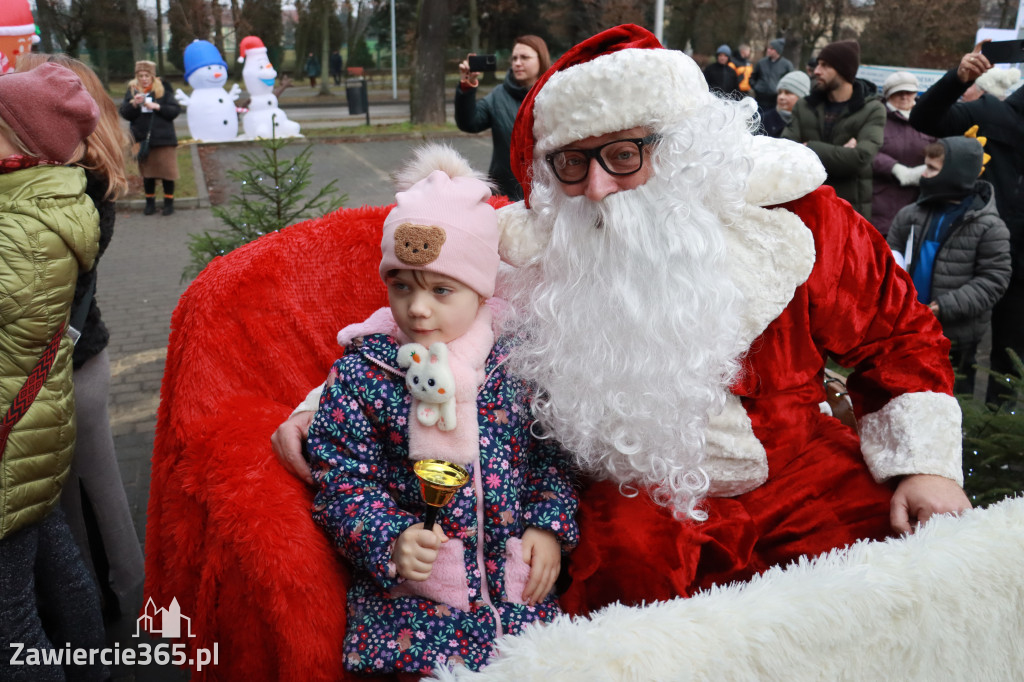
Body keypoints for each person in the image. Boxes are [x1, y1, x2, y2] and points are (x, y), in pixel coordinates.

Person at [495, 23, 970, 615]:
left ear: (681, 148)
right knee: (621, 593)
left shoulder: (794, 218)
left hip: (797, 465)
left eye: (623, 155)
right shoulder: (542, 250)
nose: (595, 188)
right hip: (641, 489)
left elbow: (897, 333)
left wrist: (926, 468)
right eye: (571, 162)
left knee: (893, 578)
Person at [306, 144, 578, 678]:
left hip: (516, 598)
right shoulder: (365, 375)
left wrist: (547, 526)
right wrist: (388, 537)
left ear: (480, 292)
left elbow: (554, 457)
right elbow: (341, 481)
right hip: (409, 611)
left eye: (441, 289)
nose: (417, 307)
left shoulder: (515, 365)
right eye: (401, 285)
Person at [16, 52, 145, 619]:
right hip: (79, 354)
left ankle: (116, 608)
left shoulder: (71, 187)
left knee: (90, 499)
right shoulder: (88, 175)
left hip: (65, 361)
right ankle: (106, 604)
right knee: (91, 493)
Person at [0, 62, 106, 682]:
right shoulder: (47, 201)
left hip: (14, 438)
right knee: (56, 565)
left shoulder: (18, 227)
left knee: (10, 616)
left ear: (25, 144)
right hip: (32, 429)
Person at [909, 44, 1024, 406]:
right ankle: (947, 434)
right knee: (957, 351)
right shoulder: (995, 112)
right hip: (974, 252)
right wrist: (957, 80)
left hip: (1021, 268)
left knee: (1009, 356)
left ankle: (993, 439)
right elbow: (924, 119)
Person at [887, 137, 1010, 396]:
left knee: (950, 398)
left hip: (955, 337)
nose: (924, 174)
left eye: (932, 168)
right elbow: (892, 254)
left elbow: (993, 279)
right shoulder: (910, 214)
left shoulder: (989, 226)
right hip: (908, 328)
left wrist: (945, 306)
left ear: (956, 173)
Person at [783, 39, 886, 220]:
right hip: (806, 211)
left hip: (848, 215)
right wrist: (841, 155)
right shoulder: (804, 106)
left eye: (824, 65)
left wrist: (808, 147)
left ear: (843, 69)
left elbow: (860, 158)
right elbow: (784, 152)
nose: (816, 71)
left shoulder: (872, 109)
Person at [455, 35, 551, 201]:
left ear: (541, 59)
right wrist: (466, 87)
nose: (517, 63)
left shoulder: (555, 93)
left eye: (524, 57)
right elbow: (469, 122)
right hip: (506, 196)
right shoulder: (499, 95)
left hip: (549, 196)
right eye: (514, 58)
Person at [870, 71, 936, 235]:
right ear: (888, 95)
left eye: (909, 92)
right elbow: (866, 151)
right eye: (898, 92)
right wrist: (894, 168)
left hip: (921, 203)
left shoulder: (929, 117)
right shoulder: (877, 118)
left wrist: (929, 168)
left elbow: (940, 147)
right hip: (882, 205)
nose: (905, 96)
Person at [119, 60, 180, 216]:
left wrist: (157, 107)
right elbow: (125, 114)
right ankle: (150, 203)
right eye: (140, 76)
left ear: (153, 76)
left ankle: (168, 203)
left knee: (168, 173)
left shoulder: (163, 89)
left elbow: (174, 111)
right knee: (148, 174)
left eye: (147, 75)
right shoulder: (132, 90)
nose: (144, 79)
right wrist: (133, 104)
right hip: (142, 139)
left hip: (163, 139)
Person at [760, 69, 810, 137]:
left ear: (801, 97)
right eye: (780, 92)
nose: (781, 97)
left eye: (788, 93)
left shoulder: (810, 123)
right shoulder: (763, 121)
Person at [750, 38, 794, 113]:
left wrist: (781, 93)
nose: (768, 50)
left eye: (772, 48)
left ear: (777, 51)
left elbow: (790, 82)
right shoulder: (762, 62)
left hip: (775, 102)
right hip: (760, 99)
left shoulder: (786, 65)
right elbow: (753, 78)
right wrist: (756, 87)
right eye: (768, 48)